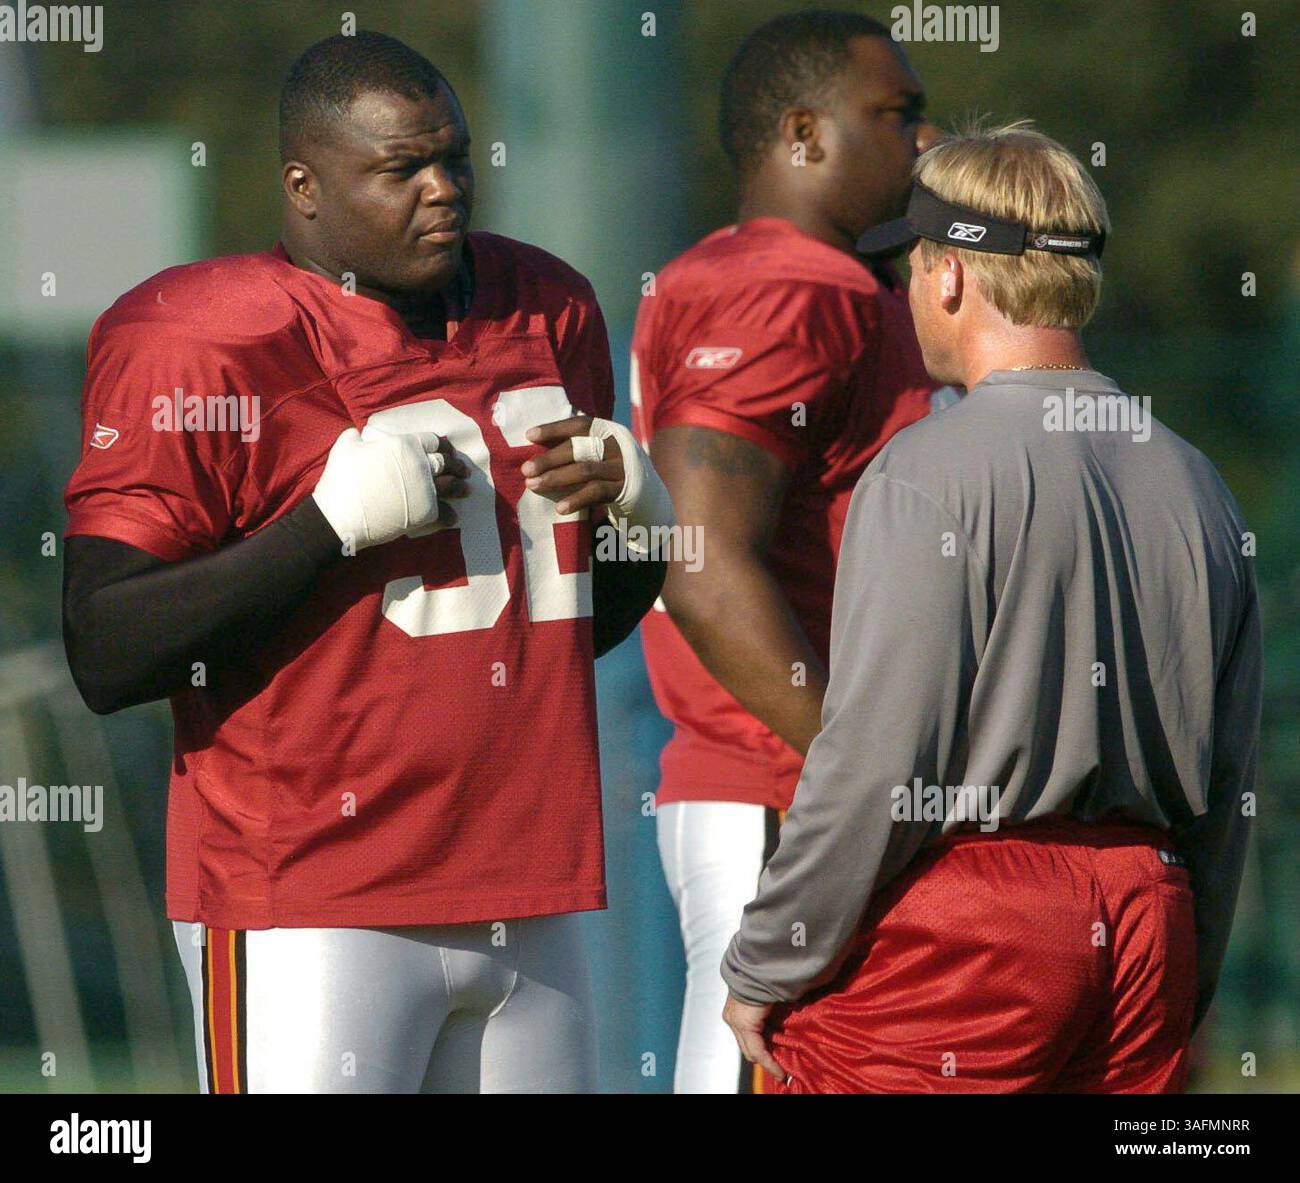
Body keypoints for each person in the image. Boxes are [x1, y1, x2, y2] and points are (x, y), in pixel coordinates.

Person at [61, 31, 669, 1094]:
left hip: (525, 890)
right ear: (302, 185)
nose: (444, 191)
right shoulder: (202, 339)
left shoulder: (549, 305)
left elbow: (559, 629)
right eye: (402, 170)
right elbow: (106, 648)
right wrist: (321, 528)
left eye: (457, 159)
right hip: (308, 900)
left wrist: (641, 530)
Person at [720, 123, 1261, 1093]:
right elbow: (1226, 789)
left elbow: (879, 755)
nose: (905, 295)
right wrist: (1186, 973)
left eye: (911, 267)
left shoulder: (926, 472)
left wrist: (769, 956)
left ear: (952, 276)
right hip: (1150, 915)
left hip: (973, 933)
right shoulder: (1199, 483)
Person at [630, 10, 939, 1092]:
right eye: (895, 115)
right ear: (803, 134)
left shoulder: (826, 276)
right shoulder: (787, 285)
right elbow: (699, 554)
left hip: (809, 788)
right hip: (786, 789)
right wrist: (860, 770)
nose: (924, 141)